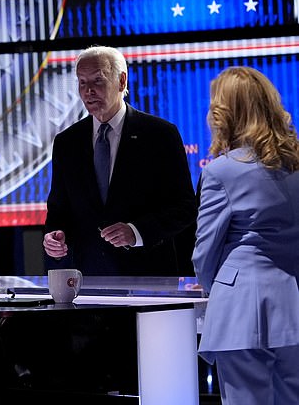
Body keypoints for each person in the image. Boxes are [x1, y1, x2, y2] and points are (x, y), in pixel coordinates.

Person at [192, 66, 299, 404]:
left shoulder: (221, 172)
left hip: (240, 314)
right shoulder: (295, 164)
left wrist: (218, 293)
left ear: (224, 113)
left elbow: (204, 256)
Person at [43, 45, 196, 275]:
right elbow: (59, 210)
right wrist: (55, 236)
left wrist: (136, 232)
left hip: (150, 278)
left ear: (122, 81)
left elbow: (184, 209)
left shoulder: (160, 135)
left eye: (97, 80)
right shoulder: (67, 143)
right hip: (89, 280)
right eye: (82, 82)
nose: (88, 91)